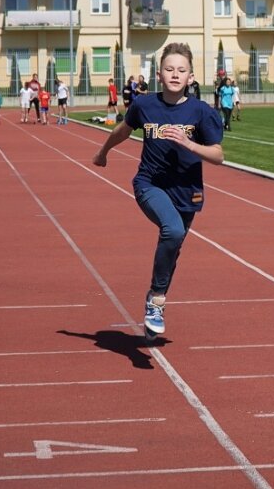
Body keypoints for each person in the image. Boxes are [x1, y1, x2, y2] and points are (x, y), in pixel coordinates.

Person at [92, 42, 224, 341]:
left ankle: (156, 296)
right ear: (158, 74)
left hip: (187, 190)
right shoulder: (144, 105)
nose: (175, 74)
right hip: (149, 184)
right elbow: (122, 130)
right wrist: (103, 152)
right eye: (169, 69)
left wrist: (189, 144)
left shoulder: (202, 112)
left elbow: (218, 155)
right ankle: (157, 302)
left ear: (191, 77)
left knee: (173, 245)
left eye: (182, 70)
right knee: (173, 231)